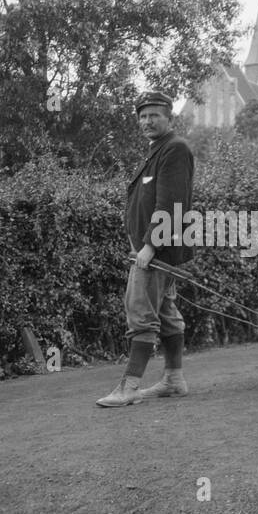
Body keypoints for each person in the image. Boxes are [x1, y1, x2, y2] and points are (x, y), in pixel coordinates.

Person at [96, 91, 195, 408]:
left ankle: (128, 387)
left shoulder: (175, 149)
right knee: (165, 314)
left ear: (169, 117)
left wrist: (151, 246)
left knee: (141, 313)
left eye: (155, 115)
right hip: (151, 250)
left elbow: (172, 204)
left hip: (158, 252)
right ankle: (174, 380)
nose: (147, 121)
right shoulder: (158, 151)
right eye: (143, 116)